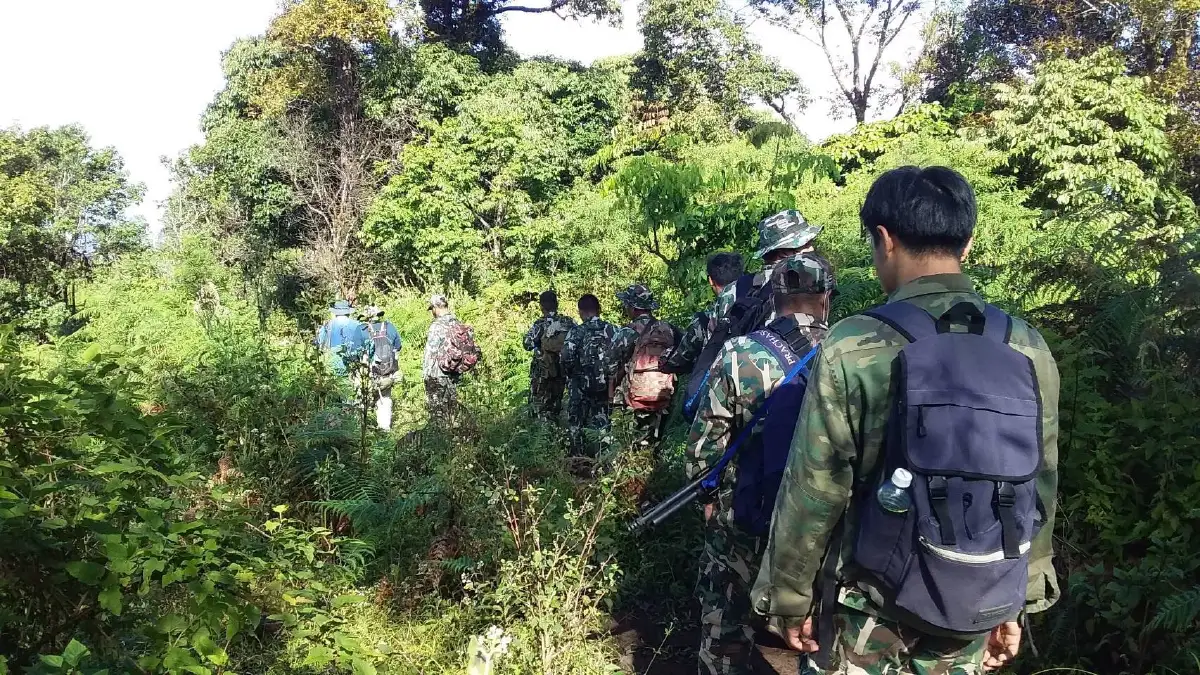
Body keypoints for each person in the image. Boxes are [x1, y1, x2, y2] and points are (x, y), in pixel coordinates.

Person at [752, 166, 1060, 674]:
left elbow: (816, 487)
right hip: (976, 599)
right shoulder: (1026, 345)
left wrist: (788, 595)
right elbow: (1038, 482)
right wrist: (1017, 597)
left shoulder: (854, 344)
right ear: (970, 240)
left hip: (868, 606)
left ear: (885, 239)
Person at [689, 252, 835, 675]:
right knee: (820, 631)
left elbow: (704, 444)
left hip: (745, 511)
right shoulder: (850, 352)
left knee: (726, 622)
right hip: (823, 523)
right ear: (825, 297)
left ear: (775, 297)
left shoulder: (741, 353)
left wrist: (708, 500)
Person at [678, 211, 823, 423]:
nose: (812, 249)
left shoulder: (735, 291)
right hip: (797, 399)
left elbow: (714, 350)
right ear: (784, 250)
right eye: (806, 243)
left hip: (742, 401)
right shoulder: (809, 285)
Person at [608, 284, 678, 447]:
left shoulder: (628, 331)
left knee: (625, 441)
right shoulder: (668, 329)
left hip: (633, 396)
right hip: (661, 394)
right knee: (653, 441)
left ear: (633, 307)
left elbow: (610, 362)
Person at [662, 252, 745, 375]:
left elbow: (680, 358)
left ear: (710, 280)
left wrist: (664, 362)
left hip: (720, 383)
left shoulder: (704, 320)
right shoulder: (760, 305)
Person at [560, 294, 617, 457]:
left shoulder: (576, 332)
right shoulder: (612, 330)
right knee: (604, 422)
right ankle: (605, 459)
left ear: (580, 312)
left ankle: (577, 460)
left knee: (576, 423)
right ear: (599, 309)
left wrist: (571, 374)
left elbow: (565, 356)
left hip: (579, 386)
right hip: (606, 386)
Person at [522, 290, 576, 421]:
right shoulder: (568, 322)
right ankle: (555, 429)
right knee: (556, 403)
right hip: (561, 371)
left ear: (541, 306)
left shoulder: (540, 324)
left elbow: (527, 344)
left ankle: (542, 433)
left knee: (539, 405)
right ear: (556, 304)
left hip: (543, 372)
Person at [362, 306, 402, 431]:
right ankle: (384, 430)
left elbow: (355, 351)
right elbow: (398, 347)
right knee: (384, 399)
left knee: (363, 400)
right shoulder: (390, 327)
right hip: (387, 372)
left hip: (367, 374)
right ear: (379, 315)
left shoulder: (361, 329)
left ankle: (363, 430)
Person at [422, 294, 462, 420]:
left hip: (437, 374)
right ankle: (454, 435)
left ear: (435, 308)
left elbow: (431, 351)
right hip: (454, 371)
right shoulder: (457, 323)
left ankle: (440, 437)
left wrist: (426, 374)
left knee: (437, 411)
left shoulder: (437, 326)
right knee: (452, 408)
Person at [316, 299, 369, 377]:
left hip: (331, 366)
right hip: (353, 367)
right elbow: (367, 344)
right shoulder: (358, 325)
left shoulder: (327, 326)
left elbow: (319, 343)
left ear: (335, 313)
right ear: (348, 312)